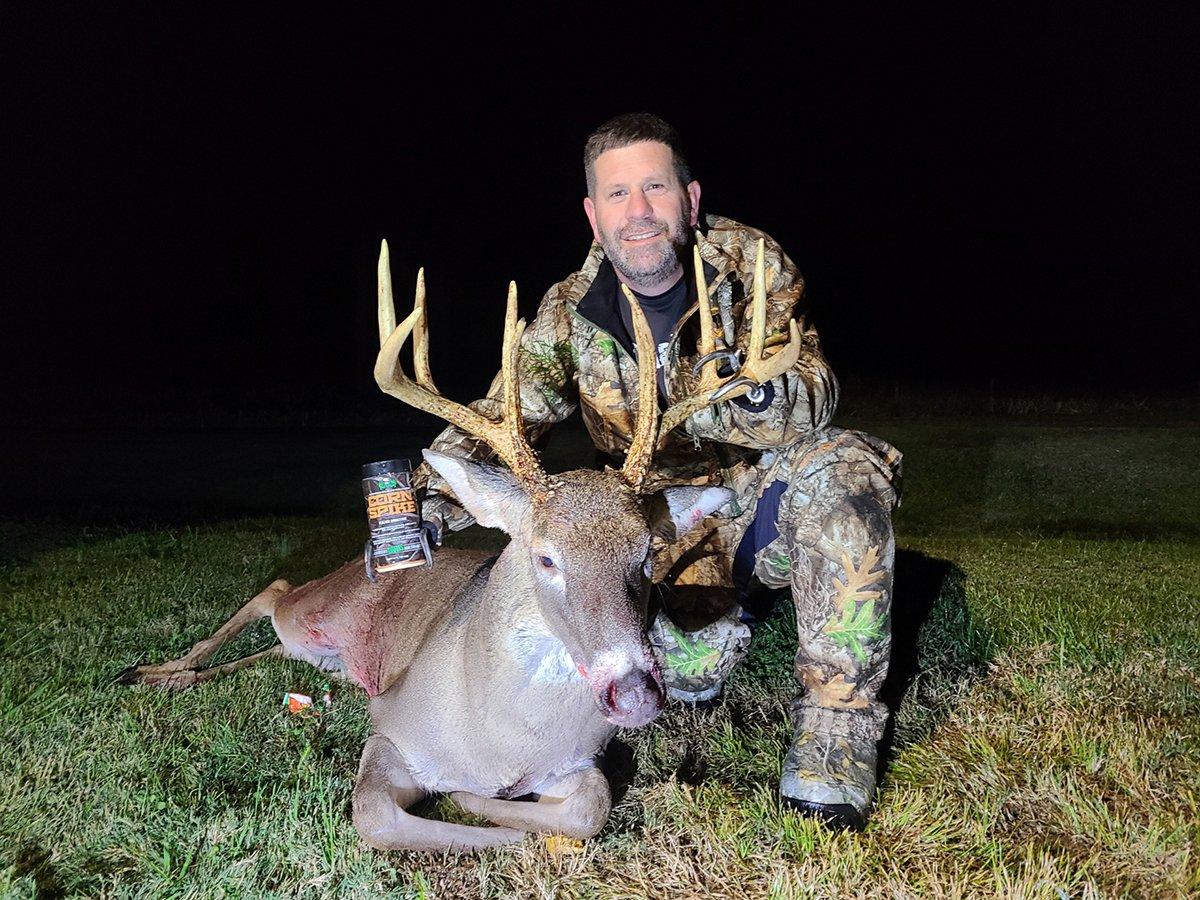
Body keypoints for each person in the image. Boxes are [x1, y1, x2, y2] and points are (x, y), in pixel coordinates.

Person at [413, 113, 902, 830]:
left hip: (761, 506)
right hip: (652, 542)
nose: (637, 211)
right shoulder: (566, 315)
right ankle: (735, 612)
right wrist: (425, 499)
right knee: (686, 677)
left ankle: (837, 734)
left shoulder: (751, 267)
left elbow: (815, 390)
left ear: (690, 198)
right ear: (593, 213)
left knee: (847, 470)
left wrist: (735, 399)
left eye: (654, 188)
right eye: (616, 194)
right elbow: (499, 420)